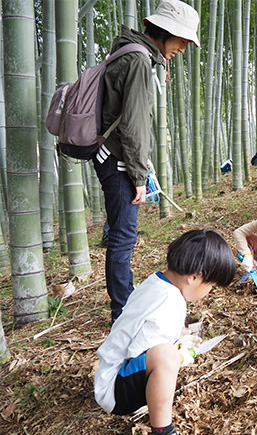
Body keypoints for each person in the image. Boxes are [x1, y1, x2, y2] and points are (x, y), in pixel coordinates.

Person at [94, 229, 236, 435]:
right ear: (195, 276)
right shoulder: (170, 301)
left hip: (110, 377)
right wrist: (181, 355)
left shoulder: (158, 283)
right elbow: (147, 353)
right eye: (210, 285)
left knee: (168, 352)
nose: (208, 292)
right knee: (166, 355)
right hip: (115, 390)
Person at [94, 0, 200, 322]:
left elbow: (126, 119)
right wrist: (139, 175)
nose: (182, 48)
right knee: (123, 236)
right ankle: (123, 311)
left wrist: (144, 161)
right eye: (182, 41)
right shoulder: (139, 60)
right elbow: (134, 124)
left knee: (121, 233)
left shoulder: (129, 52)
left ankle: (123, 300)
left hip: (114, 155)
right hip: (118, 161)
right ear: (166, 32)